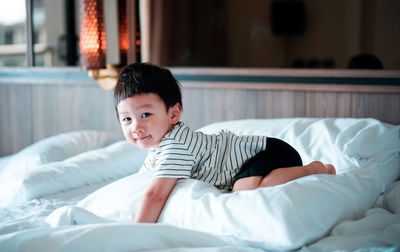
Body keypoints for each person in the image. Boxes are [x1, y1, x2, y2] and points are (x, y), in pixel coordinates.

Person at [114, 63, 336, 223]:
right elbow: (142, 183)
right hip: (256, 159)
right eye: (127, 119)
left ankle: (314, 169)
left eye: (145, 115)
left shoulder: (175, 146)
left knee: (244, 190)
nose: (136, 127)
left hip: (268, 152)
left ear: (174, 114)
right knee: (242, 186)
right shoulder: (156, 152)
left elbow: (155, 195)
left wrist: (137, 230)